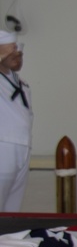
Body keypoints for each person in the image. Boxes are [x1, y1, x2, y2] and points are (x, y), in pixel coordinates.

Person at [0, 30, 31, 212]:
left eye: (19, 53)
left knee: (12, 209)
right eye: (11, 53)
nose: (17, 56)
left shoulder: (22, 83)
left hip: (23, 146)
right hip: (4, 146)